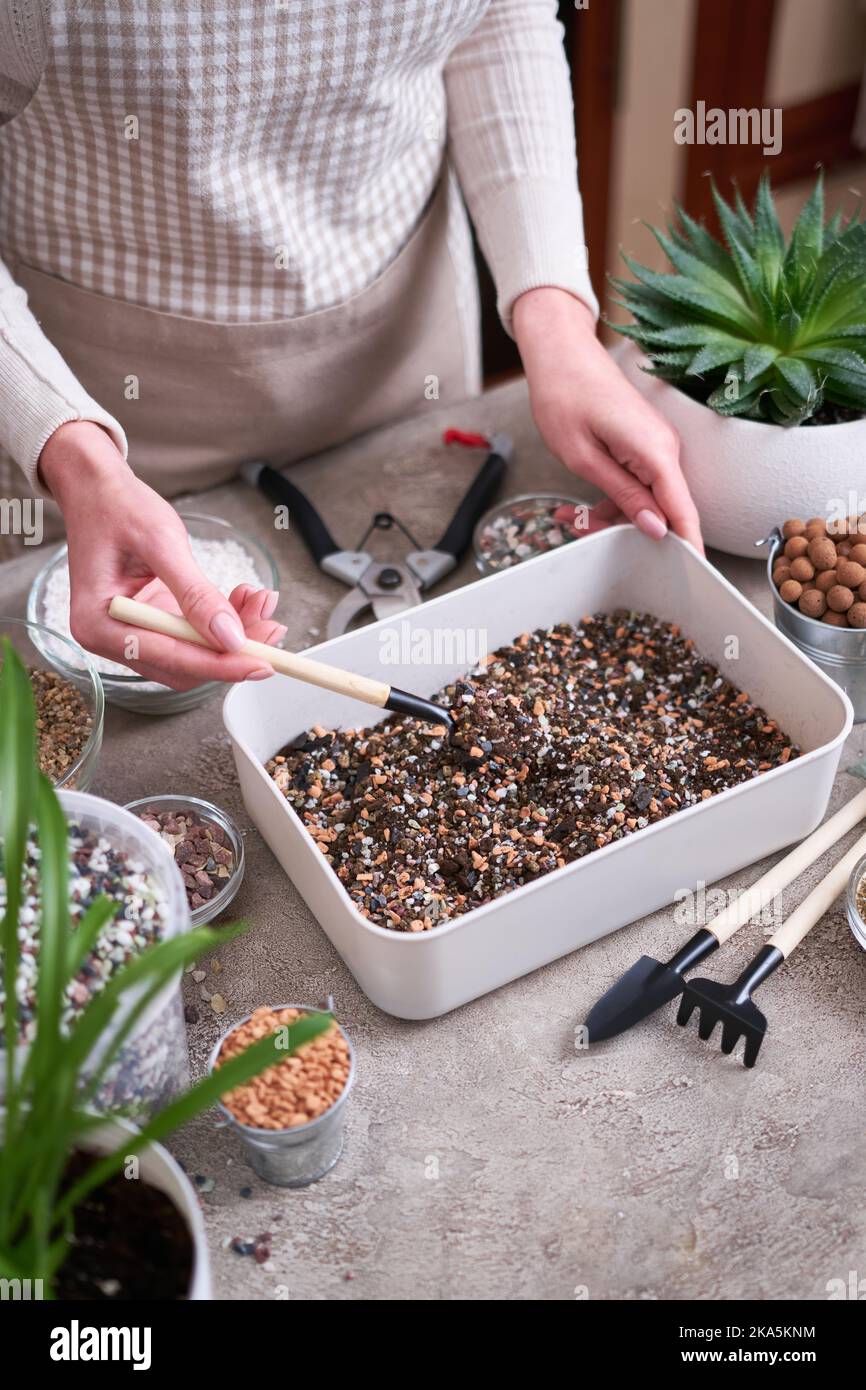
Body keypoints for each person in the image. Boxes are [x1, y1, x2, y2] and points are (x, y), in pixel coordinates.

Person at [0, 1, 702, 689]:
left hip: (403, 339)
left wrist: (556, 323)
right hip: (92, 388)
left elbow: (500, 16)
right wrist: (75, 457)